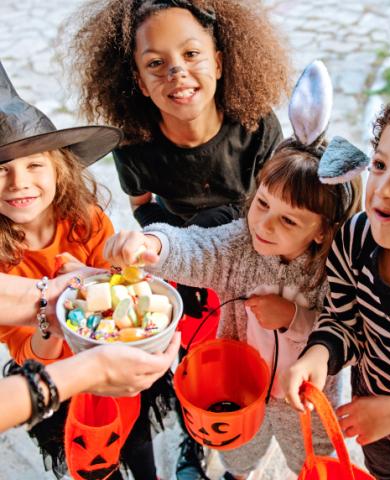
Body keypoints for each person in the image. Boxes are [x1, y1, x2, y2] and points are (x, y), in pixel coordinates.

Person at [102, 61, 364, 480]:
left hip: (308, 401)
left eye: (289, 220)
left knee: (310, 459)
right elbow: (198, 249)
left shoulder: (333, 268)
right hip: (241, 388)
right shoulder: (239, 242)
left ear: (322, 232)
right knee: (240, 448)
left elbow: (346, 327)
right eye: (262, 204)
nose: (263, 224)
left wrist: (295, 317)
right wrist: (154, 244)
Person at [66, 1, 291, 477]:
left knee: (243, 351)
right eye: (156, 64)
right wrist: (161, 245)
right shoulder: (134, 144)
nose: (177, 73)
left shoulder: (256, 128)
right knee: (188, 357)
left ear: (221, 60)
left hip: (246, 253)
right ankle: (195, 438)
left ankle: (236, 446)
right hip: (178, 254)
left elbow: (273, 206)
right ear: (138, 81)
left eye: (192, 54)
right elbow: (142, 205)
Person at [0, 60, 165, 480]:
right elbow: (28, 354)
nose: (18, 182)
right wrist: (51, 321)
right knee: (91, 460)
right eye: (0, 170)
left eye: (34, 165)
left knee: (136, 441)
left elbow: (117, 294)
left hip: (114, 353)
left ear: (59, 168)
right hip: (55, 380)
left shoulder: (86, 220)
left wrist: (101, 276)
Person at [282, 87, 390, 480]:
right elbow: (344, 323)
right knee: (381, 471)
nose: (385, 190)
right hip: (371, 407)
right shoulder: (355, 239)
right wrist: (319, 354)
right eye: (379, 165)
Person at [0, 338, 181, 434]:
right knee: (95, 453)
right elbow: (30, 356)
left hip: (124, 368)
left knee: (135, 436)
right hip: (66, 399)